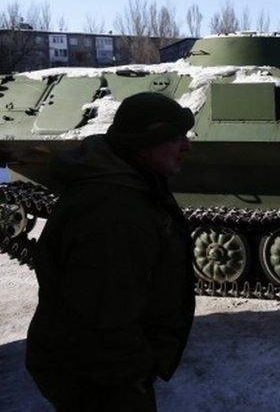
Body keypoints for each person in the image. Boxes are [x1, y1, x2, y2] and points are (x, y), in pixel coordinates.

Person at [26, 92, 196, 411]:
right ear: (146, 143)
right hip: (101, 381)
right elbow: (104, 323)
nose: (187, 146)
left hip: (97, 371)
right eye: (176, 138)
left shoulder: (134, 184)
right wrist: (134, 376)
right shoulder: (114, 215)